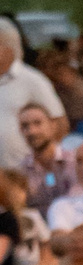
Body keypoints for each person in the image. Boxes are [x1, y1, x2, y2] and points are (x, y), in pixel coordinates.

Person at [0, 19, 67, 176]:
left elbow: (59, 123)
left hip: (24, 174)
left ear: (10, 48)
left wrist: (44, 161)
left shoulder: (32, 80)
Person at [19, 106, 72, 218]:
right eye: (25, 126)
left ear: (53, 125)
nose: (32, 131)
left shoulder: (73, 161)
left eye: (37, 123)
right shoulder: (21, 171)